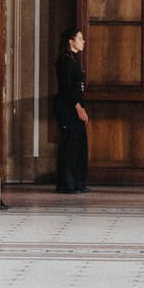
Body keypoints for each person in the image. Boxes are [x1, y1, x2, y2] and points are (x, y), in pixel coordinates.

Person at [53, 28, 89, 194]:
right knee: (69, 146)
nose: (83, 41)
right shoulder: (66, 60)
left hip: (75, 108)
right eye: (80, 38)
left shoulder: (74, 59)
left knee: (79, 146)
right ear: (71, 41)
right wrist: (79, 108)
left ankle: (78, 182)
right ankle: (66, 184)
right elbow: (67, 88)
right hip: (68, 109)